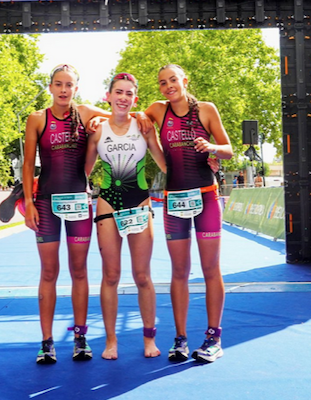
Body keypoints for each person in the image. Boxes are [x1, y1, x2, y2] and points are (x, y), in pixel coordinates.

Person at [22, 64, 152, 364]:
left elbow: (122, 114)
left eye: (69, 85)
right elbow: (29, 164)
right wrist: (29, 201)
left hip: (80, 202)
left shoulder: (86, 113)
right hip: (46, 204)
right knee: (49, 272)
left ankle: (80, 337)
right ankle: (46, 342)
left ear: (76, 89)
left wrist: (143, 116)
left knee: (79, 271)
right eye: (58, 84)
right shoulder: (37, 119)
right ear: (50, 87)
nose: (64, 90)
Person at [144, 64, 233, 363]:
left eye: (173, 80)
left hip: (206, 197)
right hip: (174, 199)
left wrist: (212, 147)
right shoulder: (157, 110)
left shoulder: (206, 109)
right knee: (179, 271)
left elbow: (228, 149)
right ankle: (180, 339)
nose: (168, 86)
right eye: (162, 82)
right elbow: (128, 118)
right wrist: (95, 122)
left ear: (184, 80)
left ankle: (213, 337)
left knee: (211, 269)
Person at [84, 73, 166, 360]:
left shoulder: (144, 127)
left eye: (129, 94)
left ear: (135, 99)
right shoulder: (98, 130)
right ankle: (110, 341)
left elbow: (165, 162)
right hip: (108, 203)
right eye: (118, 92)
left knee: (142, 276)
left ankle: (148, 339)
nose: (123, 98)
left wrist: (201, 169)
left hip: (139, 202)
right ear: (108, 96)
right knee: (111, 275)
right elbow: (84, 172)